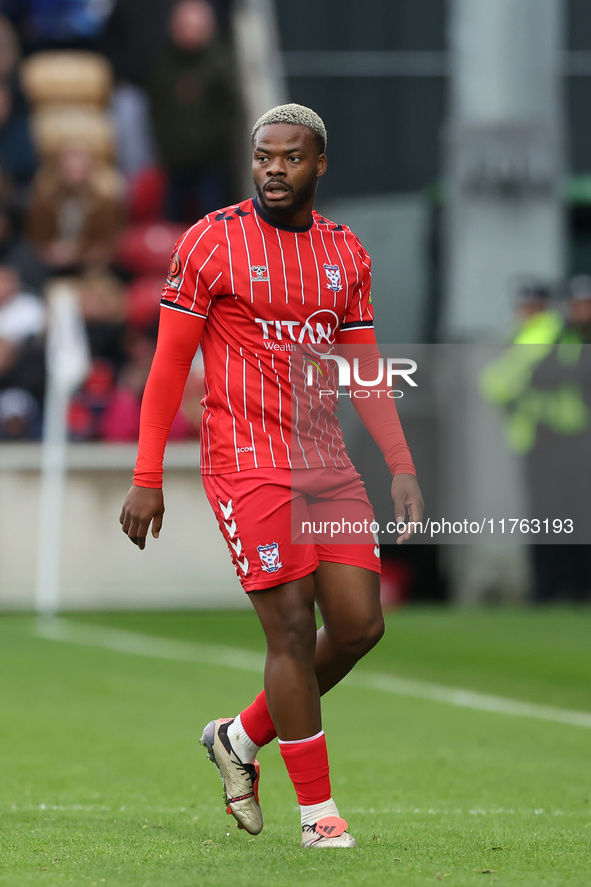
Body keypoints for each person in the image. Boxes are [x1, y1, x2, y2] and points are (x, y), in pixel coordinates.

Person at [120, 103, 423, 848]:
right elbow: (168, 366)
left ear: (318, 164)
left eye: (290, 157)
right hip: (247, 464)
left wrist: (400, 464)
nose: (273, 170)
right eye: (263, 157)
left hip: (328, 465)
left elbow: (364, 367)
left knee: (357, 626)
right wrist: (146, 472)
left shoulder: (346, 252)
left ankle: (237, 736)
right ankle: (318, 816)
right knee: (289, 628)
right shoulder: (212, 242)